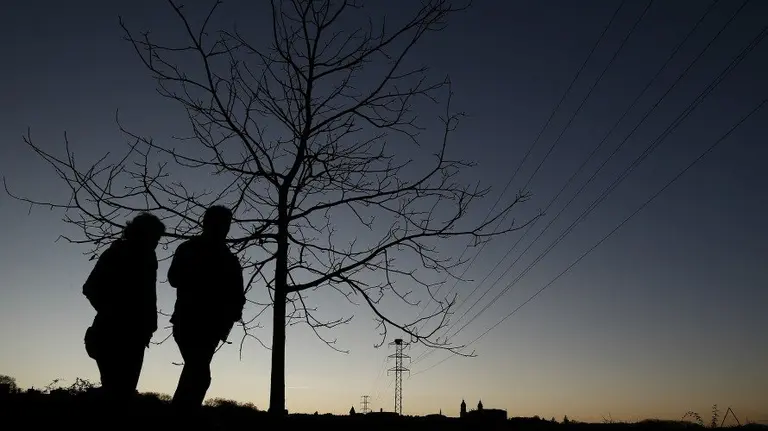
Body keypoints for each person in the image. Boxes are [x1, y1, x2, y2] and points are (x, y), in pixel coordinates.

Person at [168, 205, 245, 412]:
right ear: (207, 223)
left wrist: (232, 313)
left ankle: (181, 416)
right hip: (189, 321)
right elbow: (174, 278)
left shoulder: (228, 257)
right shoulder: (190, 248)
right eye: (220, 223)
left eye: (226, 224)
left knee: (196, 374)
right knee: (199, 374)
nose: (224, 228)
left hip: (212, 325)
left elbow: (238, 293)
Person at [82, 212, 165, 404]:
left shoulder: (149, 257)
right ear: (140, 233)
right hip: (112, 333)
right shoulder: (117, 253)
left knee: (123, 392)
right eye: (154, 237)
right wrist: (113, 313)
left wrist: (149, 326)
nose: (156, 242)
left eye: (157, 238)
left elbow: (148, 296)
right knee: (116, 392)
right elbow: (90, 288)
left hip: (137, 334)